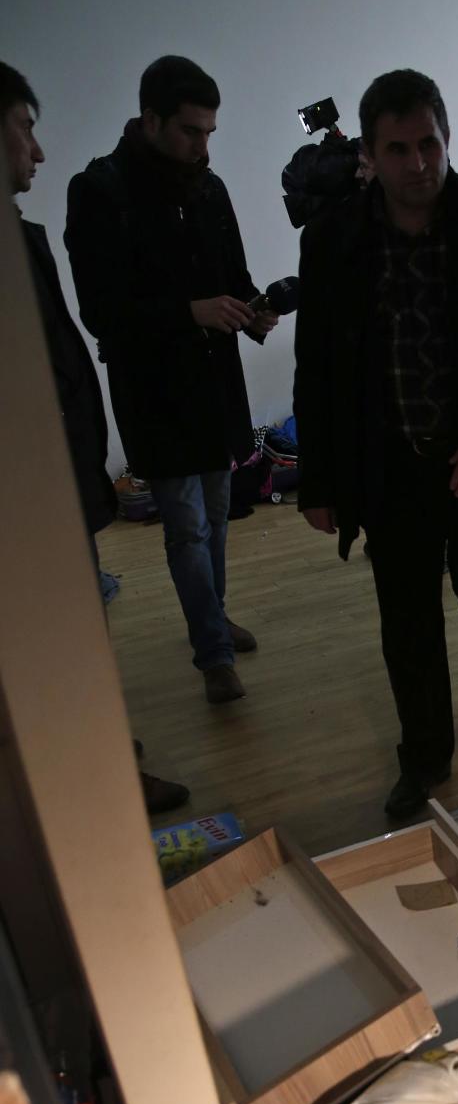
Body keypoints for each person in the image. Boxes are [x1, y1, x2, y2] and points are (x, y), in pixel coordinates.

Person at [294, 69, 458, 820]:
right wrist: (317, 479)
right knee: (407, 625)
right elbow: (316, 363)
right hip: (392, 469)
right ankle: (424, 756)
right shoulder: (334, 239)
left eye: (429, 143)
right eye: (398, 148)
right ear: (371, 156)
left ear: (448, 138)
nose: (418, 163)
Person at [2, 59, 188, 813]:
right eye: (25, 129)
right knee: (61, 644)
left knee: (78, 634)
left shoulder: (19, 235)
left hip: (59, 485)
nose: (38, 152)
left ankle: (96, 744)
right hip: (28, 499)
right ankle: (95, 775)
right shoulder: (82, 204)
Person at [65, 56, 277, 705]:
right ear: (150, 120)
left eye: (210, 132)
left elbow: (232, 274)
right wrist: (192, 312)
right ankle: (212, 651)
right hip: (155, 390)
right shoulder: (100, 190)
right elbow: (102, 309)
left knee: (216, 515)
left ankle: (212, 618)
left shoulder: (206, 187)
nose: (202, 146)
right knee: (186, 525)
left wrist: (254, 310)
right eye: (191, 131)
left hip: (212, 384)